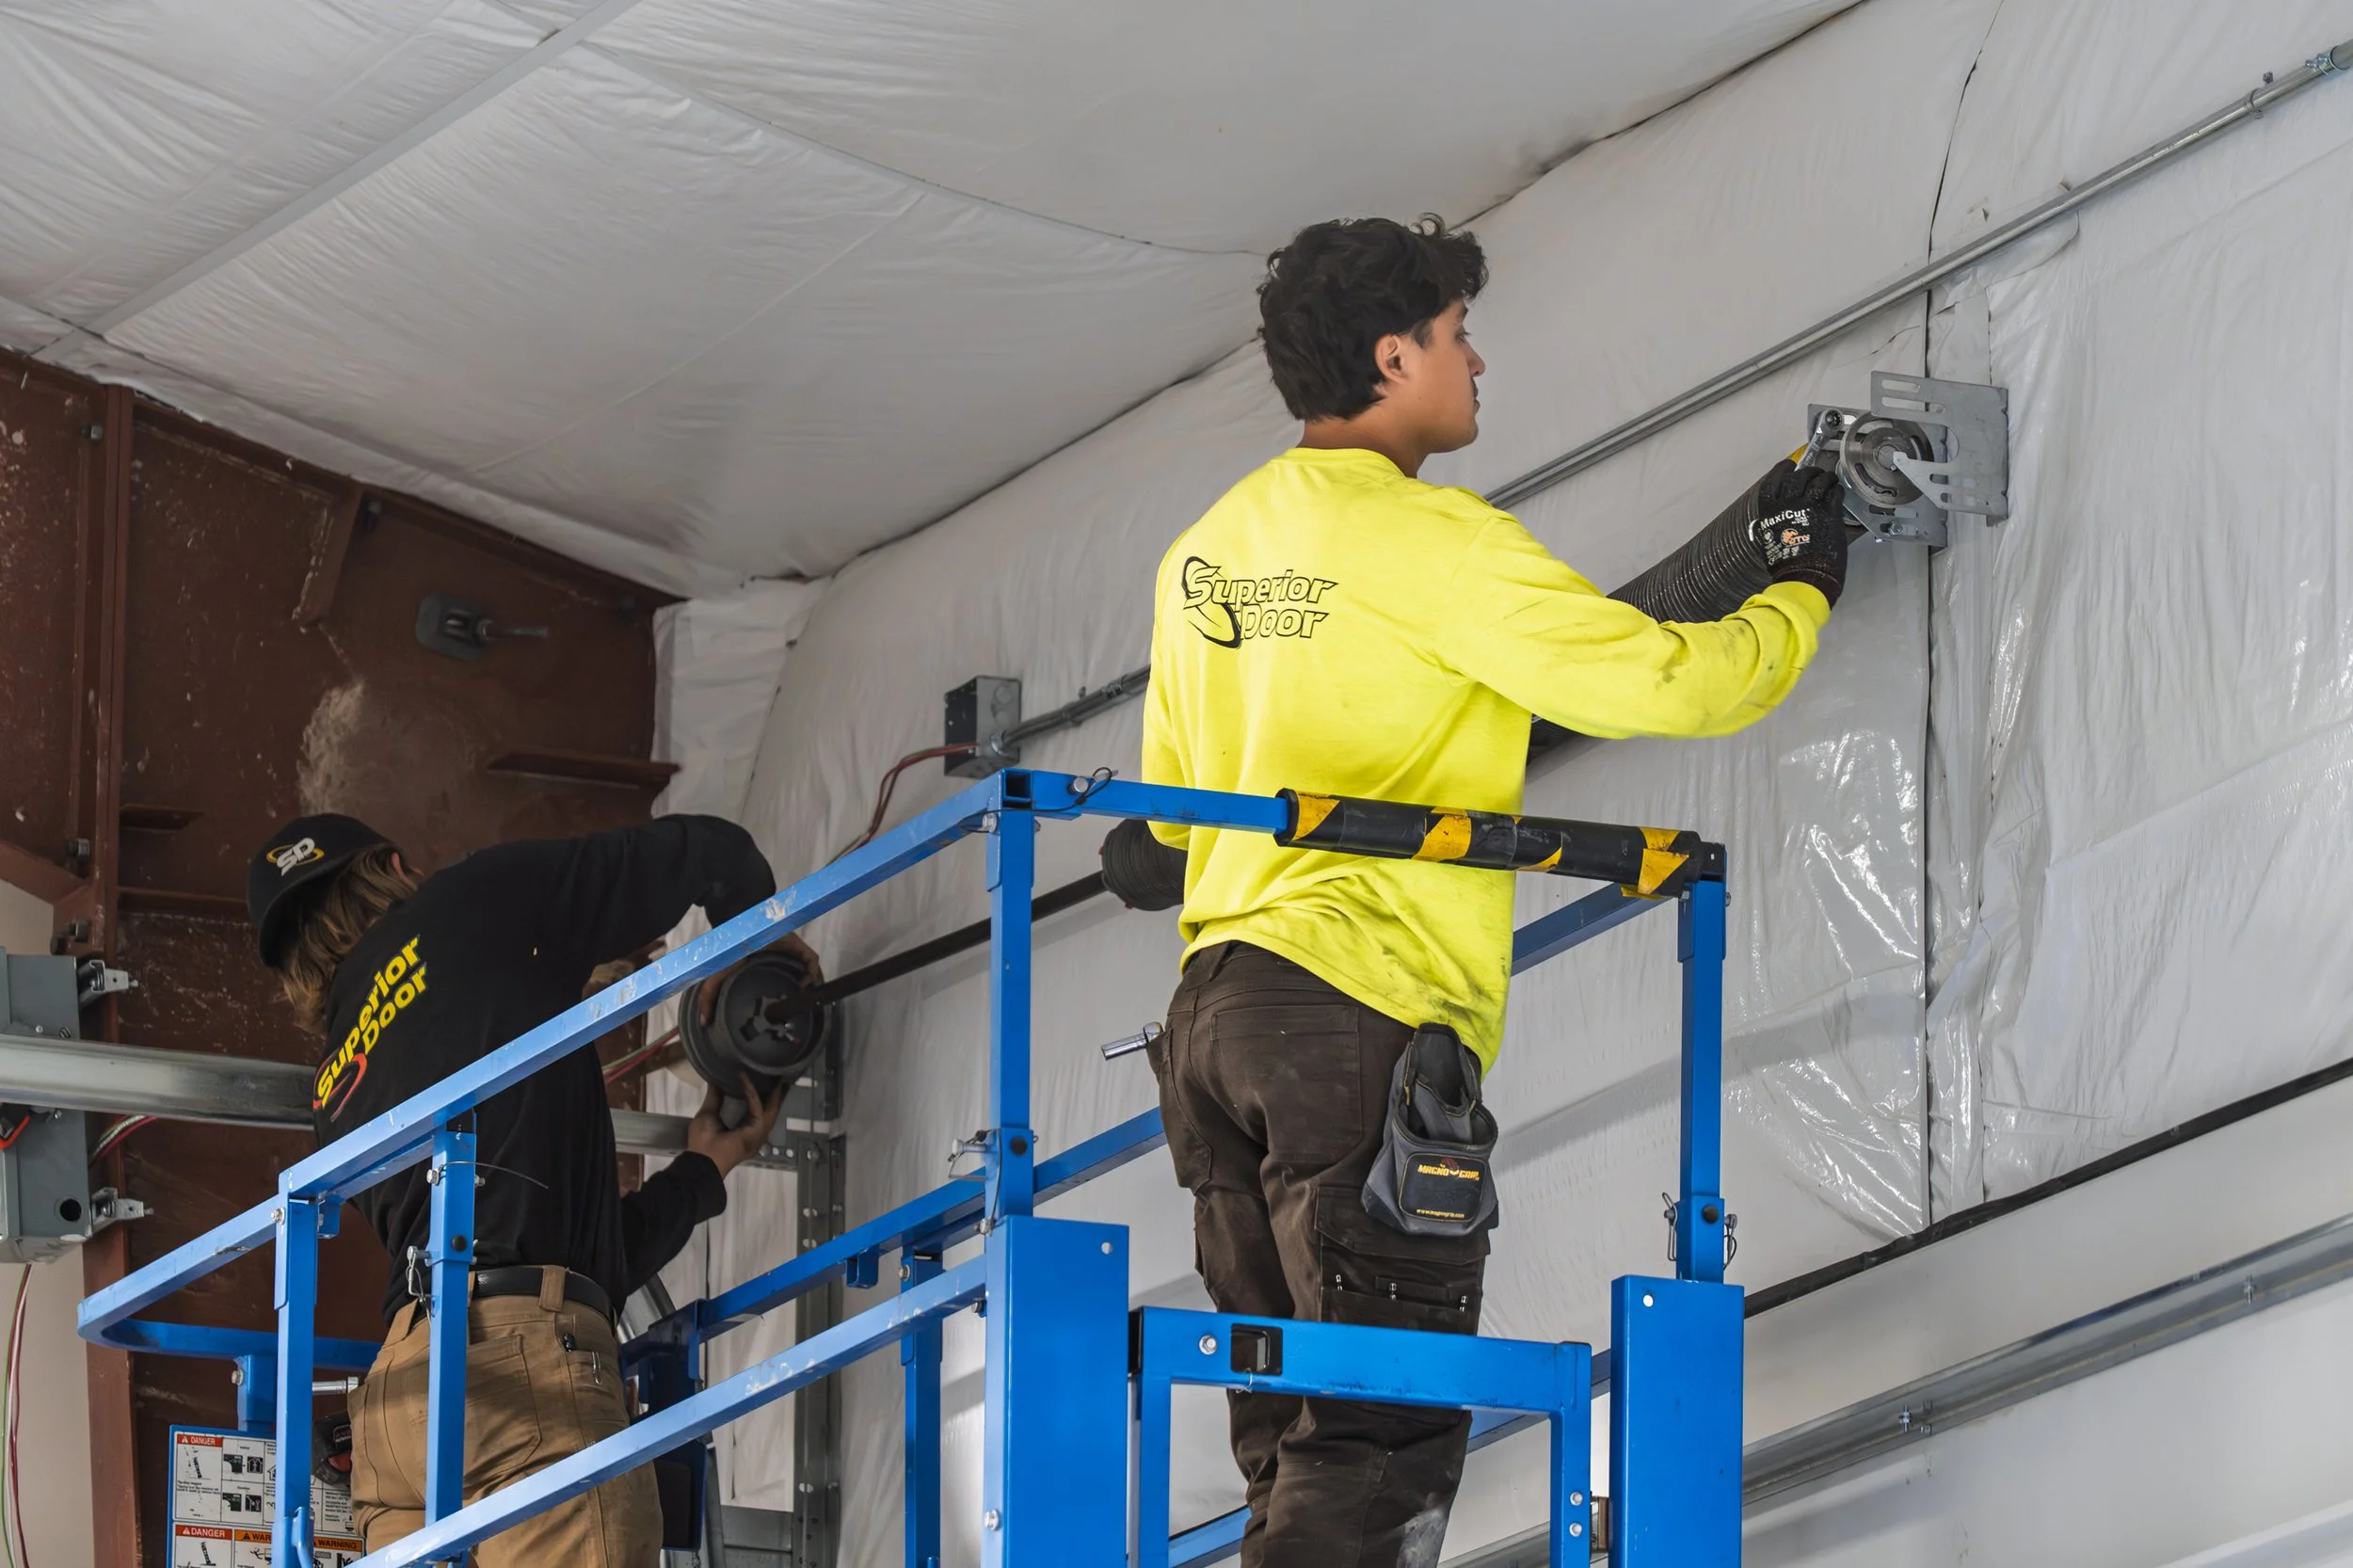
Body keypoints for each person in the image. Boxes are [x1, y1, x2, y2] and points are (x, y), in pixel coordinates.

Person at [1137, 216, 1845, 1568]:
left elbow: (1175, 810)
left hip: (1216, 1025)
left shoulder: (1205, 557)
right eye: (1460, 334)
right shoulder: (1433, 541)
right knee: (1382, 1438)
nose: (1478, 361)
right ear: (1395, 353)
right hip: (1355, 1008)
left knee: (1294, 1435)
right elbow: (1668, 680)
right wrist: (1799, 591)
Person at [246, 811, 820, 1564]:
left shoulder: (334, 1089)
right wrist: (753, 939)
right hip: (520, 1384)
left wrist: (700, 1171)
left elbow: (565, 1262)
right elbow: (709, 853)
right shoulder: (469, 906)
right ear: (392, 867)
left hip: (396, 1415)